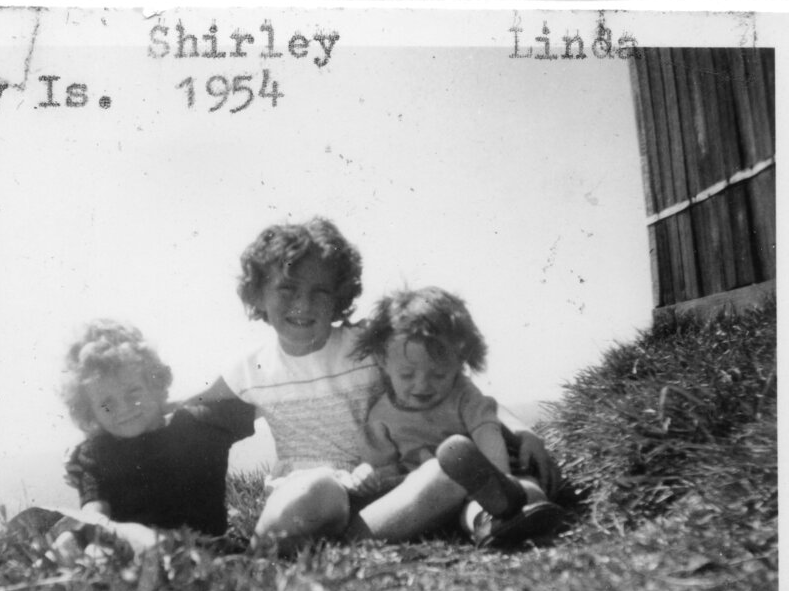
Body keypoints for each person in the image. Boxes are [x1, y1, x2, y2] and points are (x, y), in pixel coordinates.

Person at [193, 218, 560, 551]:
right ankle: (267, 553)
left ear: (340, 296)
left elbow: (467, 394)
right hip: (309, 494)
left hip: (386, 487)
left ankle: (489, 518)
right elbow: (192, 406)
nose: (303, 304)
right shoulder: (248, 369)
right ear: (257, 294)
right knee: (313, 490)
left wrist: (523, 431)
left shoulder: (368, 347)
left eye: (320, 291)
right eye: (287, 289)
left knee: (446, 466)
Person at [0, 320, 254, 576]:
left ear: (156, 383)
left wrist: (165, 406)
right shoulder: (98, 453)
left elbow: (254, 390)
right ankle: (2, 571)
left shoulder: (198, 427)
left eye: (134, 393)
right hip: (125, 550)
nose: (124, 409)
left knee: (82, 540)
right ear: (90, 413)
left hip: (201, 549)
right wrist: (75, 535)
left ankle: (29, 569)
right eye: (106, 404)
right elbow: (95, 514)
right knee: (56, 528)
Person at [344, 287, 564, 547]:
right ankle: (497, 518)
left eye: (438, 374)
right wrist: (368, 475)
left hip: (488, 476)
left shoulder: (463, 394)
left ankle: (493, 524)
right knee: (452, 492)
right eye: (406, 375)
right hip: (432, 492)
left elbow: (486, 431)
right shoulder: (381, 415)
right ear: (383, 360)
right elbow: (383, 467)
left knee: (528, 493)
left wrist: (501, 479)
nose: (422, 385)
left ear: (460, 362)